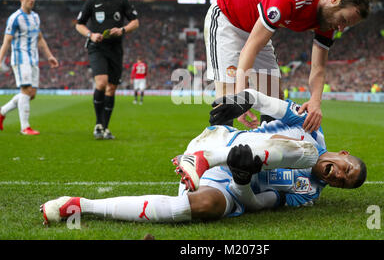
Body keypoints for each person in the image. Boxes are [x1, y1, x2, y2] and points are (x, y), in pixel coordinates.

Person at [40, 90, 367, 224]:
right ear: (344, 154)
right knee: (308, 152)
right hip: (223, 140)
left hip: (230, 180)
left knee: (195, 208)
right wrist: (244, 100)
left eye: (342, 182)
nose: (338, 175)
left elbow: (257, 204)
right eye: (345, 169)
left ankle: (82, 206)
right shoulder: (312, 129)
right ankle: (206, 158)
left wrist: (241, 181)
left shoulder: (306, 193)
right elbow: (268, 102)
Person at [205, 0, 370, 131]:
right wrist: (241, 97)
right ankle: (214, 153)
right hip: (227, 19)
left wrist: (315, 102)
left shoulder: (328, 21)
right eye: (343, 20)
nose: (340, 29)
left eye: (346, 25)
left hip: (256, 29)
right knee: (228, 94)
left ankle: (266, 152)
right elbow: (251, 47)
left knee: (273, 98)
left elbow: (318, 67)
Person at [75, 0, 139, 140]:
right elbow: (79, 24)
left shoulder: (122, 1)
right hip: (97, 47)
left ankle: (105, 127)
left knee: (111, 88)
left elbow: (135, 21)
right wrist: (91, 34)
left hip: (116, 50)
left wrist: (123, 29)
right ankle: (98, 123)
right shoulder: (92, 2)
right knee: (101, 83)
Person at [0, 0, 59, 135]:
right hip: (21, 58)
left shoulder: (35, 17)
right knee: (26, 91)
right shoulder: (15, 18)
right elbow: (6, 42)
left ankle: (2, 112)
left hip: (34, 59)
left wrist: (49, 56)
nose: (32, 0)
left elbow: (39, 38)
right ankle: (25, 127)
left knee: (31, 94)